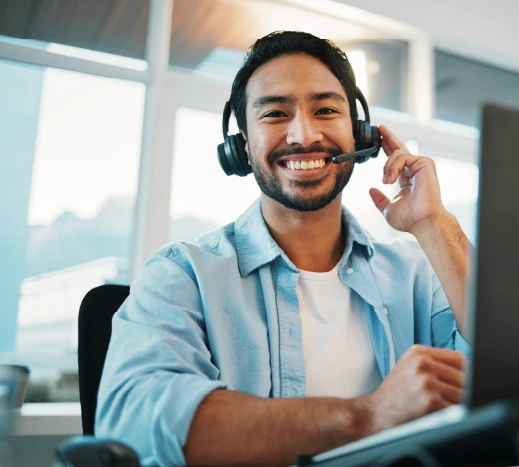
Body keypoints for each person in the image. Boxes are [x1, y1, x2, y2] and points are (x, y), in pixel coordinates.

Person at [96, 31, 472, 467]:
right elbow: (134, 421)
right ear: (241, 146)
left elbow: (513, 367)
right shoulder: (183, 275)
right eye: (275, 113)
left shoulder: (416, 274)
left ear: (359, 132)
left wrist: (433, 224)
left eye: (326, 110)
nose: (303, 135)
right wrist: (365, 417)